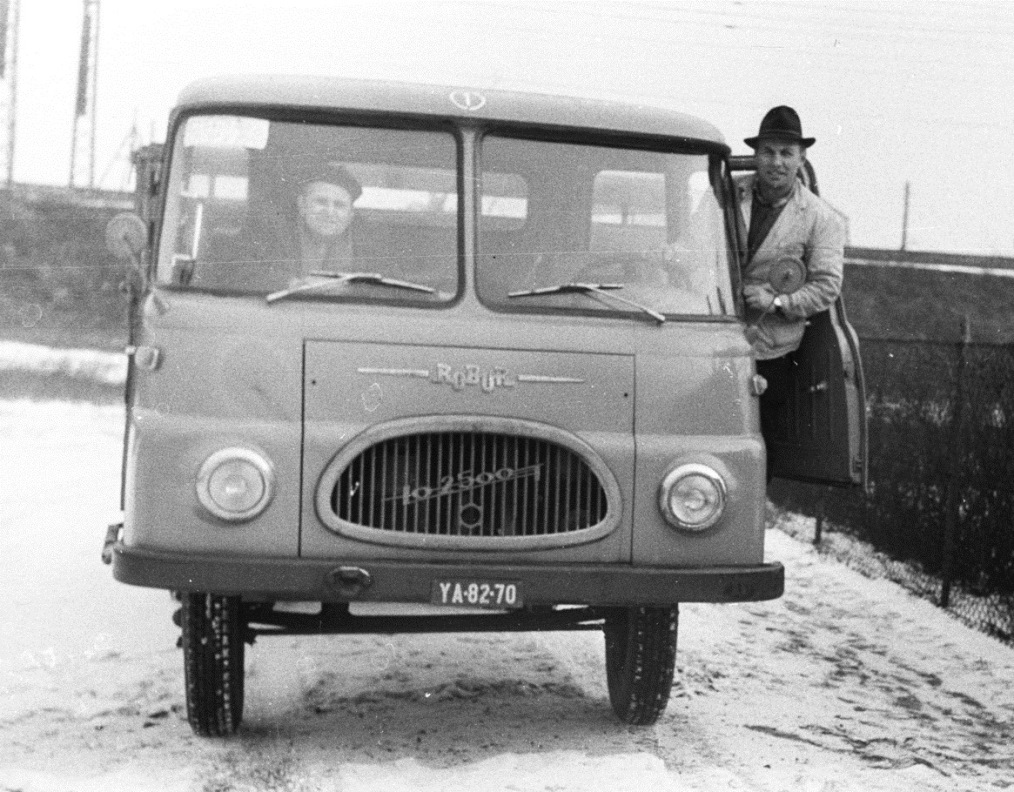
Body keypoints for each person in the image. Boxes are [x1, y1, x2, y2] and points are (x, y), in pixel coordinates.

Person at [737, 106, 846, 478]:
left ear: (802, 158)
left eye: (786, 153)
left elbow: (826, 286)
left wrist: (779, 301)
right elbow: (696, 251)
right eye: (768, 151)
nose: (776, 162)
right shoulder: (727, 198)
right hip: (716, 337)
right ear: (755, 155)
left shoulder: (821, 218)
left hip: (771, 352)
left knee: (756, 453)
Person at [291, 161, 362, 275]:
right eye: (321, 202)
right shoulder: (276, 240)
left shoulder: (367, 250)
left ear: (351, 214)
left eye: (339, 205)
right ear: (302, 205)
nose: (329, 212)